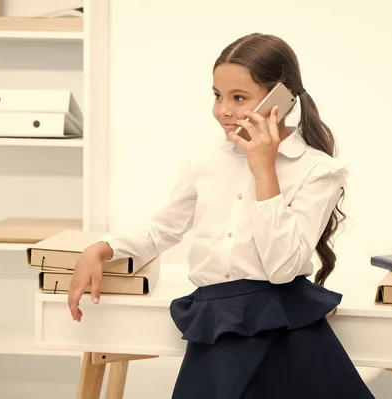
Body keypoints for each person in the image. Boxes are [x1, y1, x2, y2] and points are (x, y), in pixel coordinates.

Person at [67, 33, 375, 399]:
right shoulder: (206, 159)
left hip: (285, 325)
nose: (223, 110)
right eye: (217, 95)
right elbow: (163, 229)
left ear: (282, 99)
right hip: (218, 322)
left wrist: (265, 173)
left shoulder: (317, 170)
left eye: (239, 98)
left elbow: (281, 268)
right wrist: (101, 248)